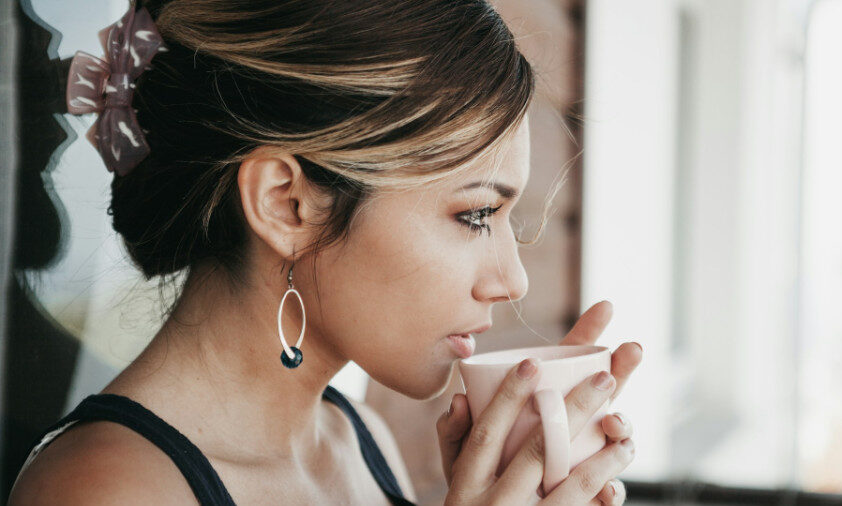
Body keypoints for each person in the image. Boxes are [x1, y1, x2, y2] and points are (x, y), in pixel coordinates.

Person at [8, 0, 643, 504]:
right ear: (287, 204)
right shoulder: (109, 491)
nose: (513, 281)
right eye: (474, 214)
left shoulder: (359, 439)